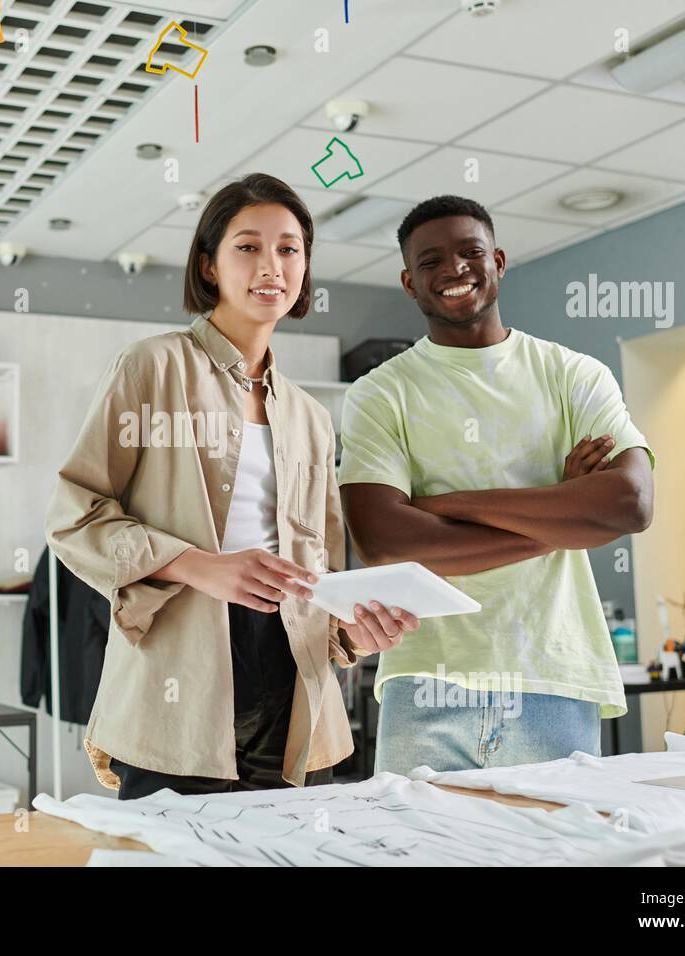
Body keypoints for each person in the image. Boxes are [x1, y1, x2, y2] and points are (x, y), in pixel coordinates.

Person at [46, 173, 415, 799]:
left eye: (289, 248)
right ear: (209, 265)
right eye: (248, 246)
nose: (271, 265)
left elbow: (318, 570)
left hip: (294, 678)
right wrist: (196, 565)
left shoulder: (310, 415)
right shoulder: (152, 367)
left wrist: (352, 633)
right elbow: (74, 517)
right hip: (181, 671)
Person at [339, 194, 655, 776]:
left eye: (471, 252)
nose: (454, 269)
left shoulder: (574, 375)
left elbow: (630, 504)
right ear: (409, 283)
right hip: (426, 681)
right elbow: (384, 541)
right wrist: (563, 514)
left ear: (500, 260)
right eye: (430, 261)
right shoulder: (379, 394)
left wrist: (443, 508)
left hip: (552, 677)